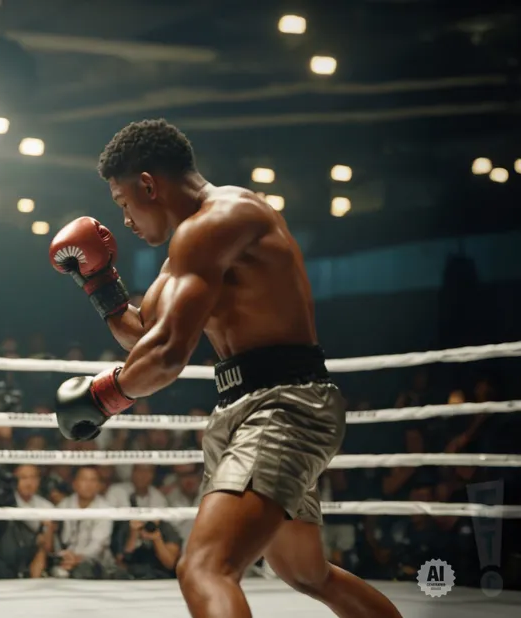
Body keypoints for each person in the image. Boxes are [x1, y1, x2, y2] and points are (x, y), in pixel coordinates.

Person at [48, 119, 402, 617]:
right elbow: (146, 335)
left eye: (123, 202)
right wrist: (99, 281)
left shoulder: (225, 217)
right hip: (251, 408)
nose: (123, 219)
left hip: (282, 408)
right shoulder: (193, 245)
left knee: (204, 569)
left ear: (149, 184)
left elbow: (168, 353)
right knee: (306, 572)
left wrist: (104, 396)